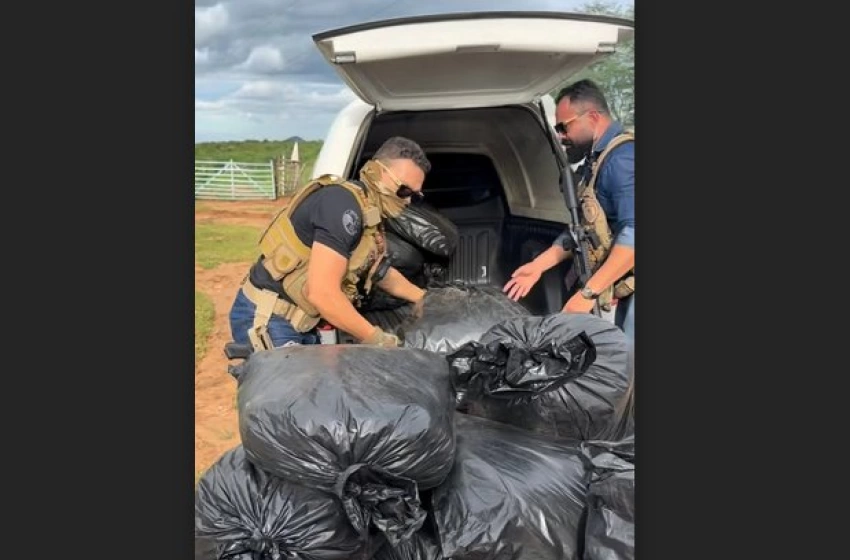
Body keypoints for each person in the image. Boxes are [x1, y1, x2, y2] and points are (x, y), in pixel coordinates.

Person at [228, 136, 431, 350]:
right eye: (404, 190)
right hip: (272, 318)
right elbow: (321, 293)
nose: (407, 201)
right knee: (296, 384)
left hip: (306, 321)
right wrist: (379, 340)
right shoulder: (342, 206)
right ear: (377, 171)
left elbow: (376, 271)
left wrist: (423, 297)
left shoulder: (368, 213)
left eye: (414, 196)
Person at [503, 79, 635, 340]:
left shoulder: (622, 160)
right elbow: (582, 229)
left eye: (564, 127)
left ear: (593, 117)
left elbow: (634, 236)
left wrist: (588, 294)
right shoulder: (597, 161)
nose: (561, 136)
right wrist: (538, 266)